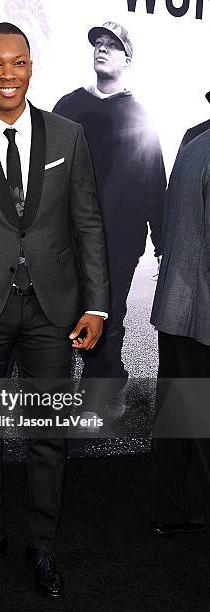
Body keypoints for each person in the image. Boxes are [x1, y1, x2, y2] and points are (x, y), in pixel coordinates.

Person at [0, 22, 109, 597]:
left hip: (54, 310)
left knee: (46, 432)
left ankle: (44, 548)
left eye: (19, 63)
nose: (8, 74)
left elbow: (87, 224)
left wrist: (98, 306)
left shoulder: (68, 136)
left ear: (31, 69)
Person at [53, 21, 166, 415]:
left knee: (108, 314)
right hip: (67, 238)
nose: (102, 49)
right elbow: (45, 170)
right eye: (98, 44)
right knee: (65, 314)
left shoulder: (139, 115)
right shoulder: (68, 106)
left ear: (127, 58)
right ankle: (93, 385)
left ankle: (100, 394)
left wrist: (162, 244)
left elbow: (154, 182)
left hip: (119, 239)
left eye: (112, 45)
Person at [150, 128, 210, 537]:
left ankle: (169, 513)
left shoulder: (194, 138)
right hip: (202, 312)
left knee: (177, 419)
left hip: (176, 307)